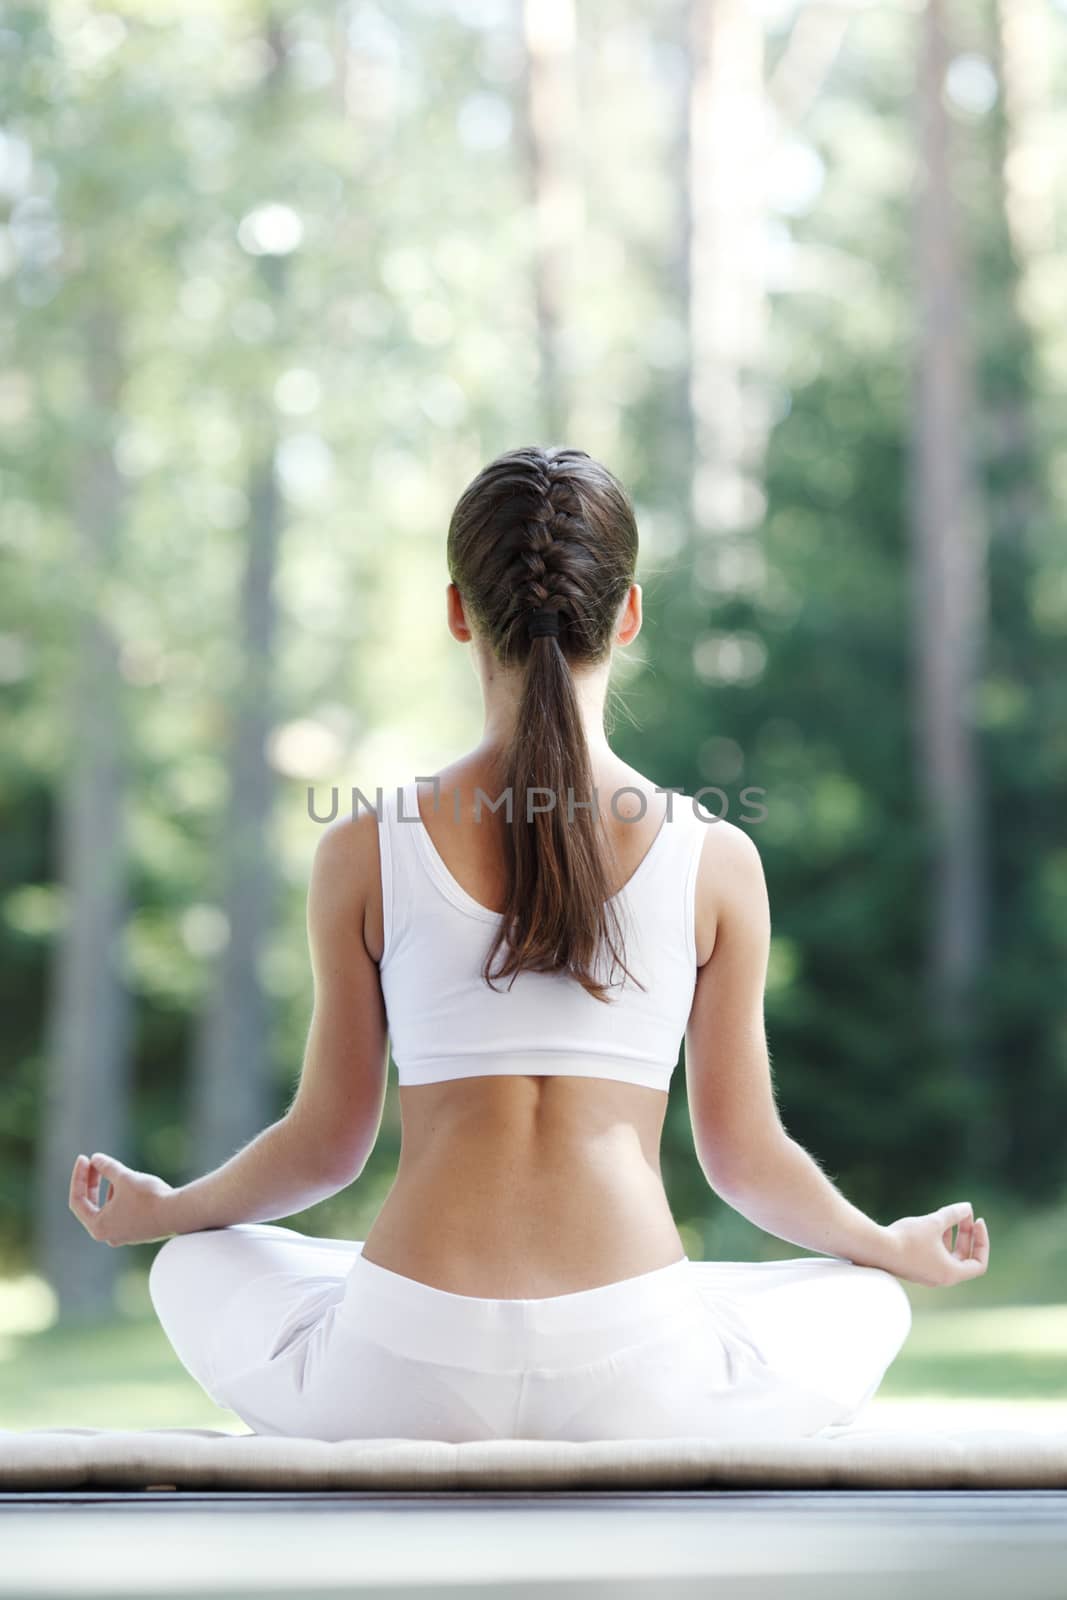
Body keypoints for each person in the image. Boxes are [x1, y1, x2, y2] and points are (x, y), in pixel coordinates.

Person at [69, 445, 989, 1443]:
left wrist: (170, 1208)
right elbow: (742, 1159)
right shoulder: (713, 857)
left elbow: (327, 1146)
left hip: (398, 1376)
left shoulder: (363, 847)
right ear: (627, 614)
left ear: (459, 611)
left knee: (196, 1259)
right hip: (639, 1378)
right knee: (863, 1296)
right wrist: (882, 1241)